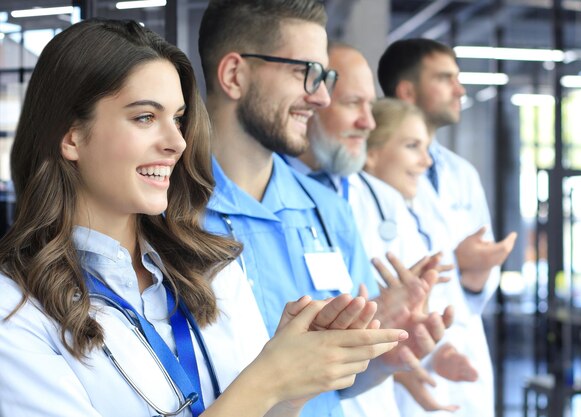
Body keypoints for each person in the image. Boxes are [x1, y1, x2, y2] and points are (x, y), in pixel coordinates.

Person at [0, 19, 408, 417]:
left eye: (178, 118)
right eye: (145, 117)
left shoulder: (213, 269)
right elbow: (257, 391)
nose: (176, 141)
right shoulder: (14, 310)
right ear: (71, 136)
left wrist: (294, 383)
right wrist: (269, 376)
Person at [198, 2, 448, 417]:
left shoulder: (327, 212)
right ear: (234, 75)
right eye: (304, 73)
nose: (321, 97)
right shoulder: (165, 212)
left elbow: (335, 384)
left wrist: (384, 356)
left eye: (325, 77)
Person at [293, 44, 473, 417]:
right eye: (352, 104)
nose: (368, 121)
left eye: (370, 106)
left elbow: (407, 313)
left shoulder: (378, 198)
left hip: (373, 393)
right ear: (312, 103)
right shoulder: (288, 196)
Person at [378, 39, 518, 417]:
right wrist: (457, 261)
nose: (460, 89)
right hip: (405, 366)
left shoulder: (462, 173)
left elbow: (472, 284)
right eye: (445, 78)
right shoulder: (375, 173)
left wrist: (475, 273)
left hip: (463, 346)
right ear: (407, 91)